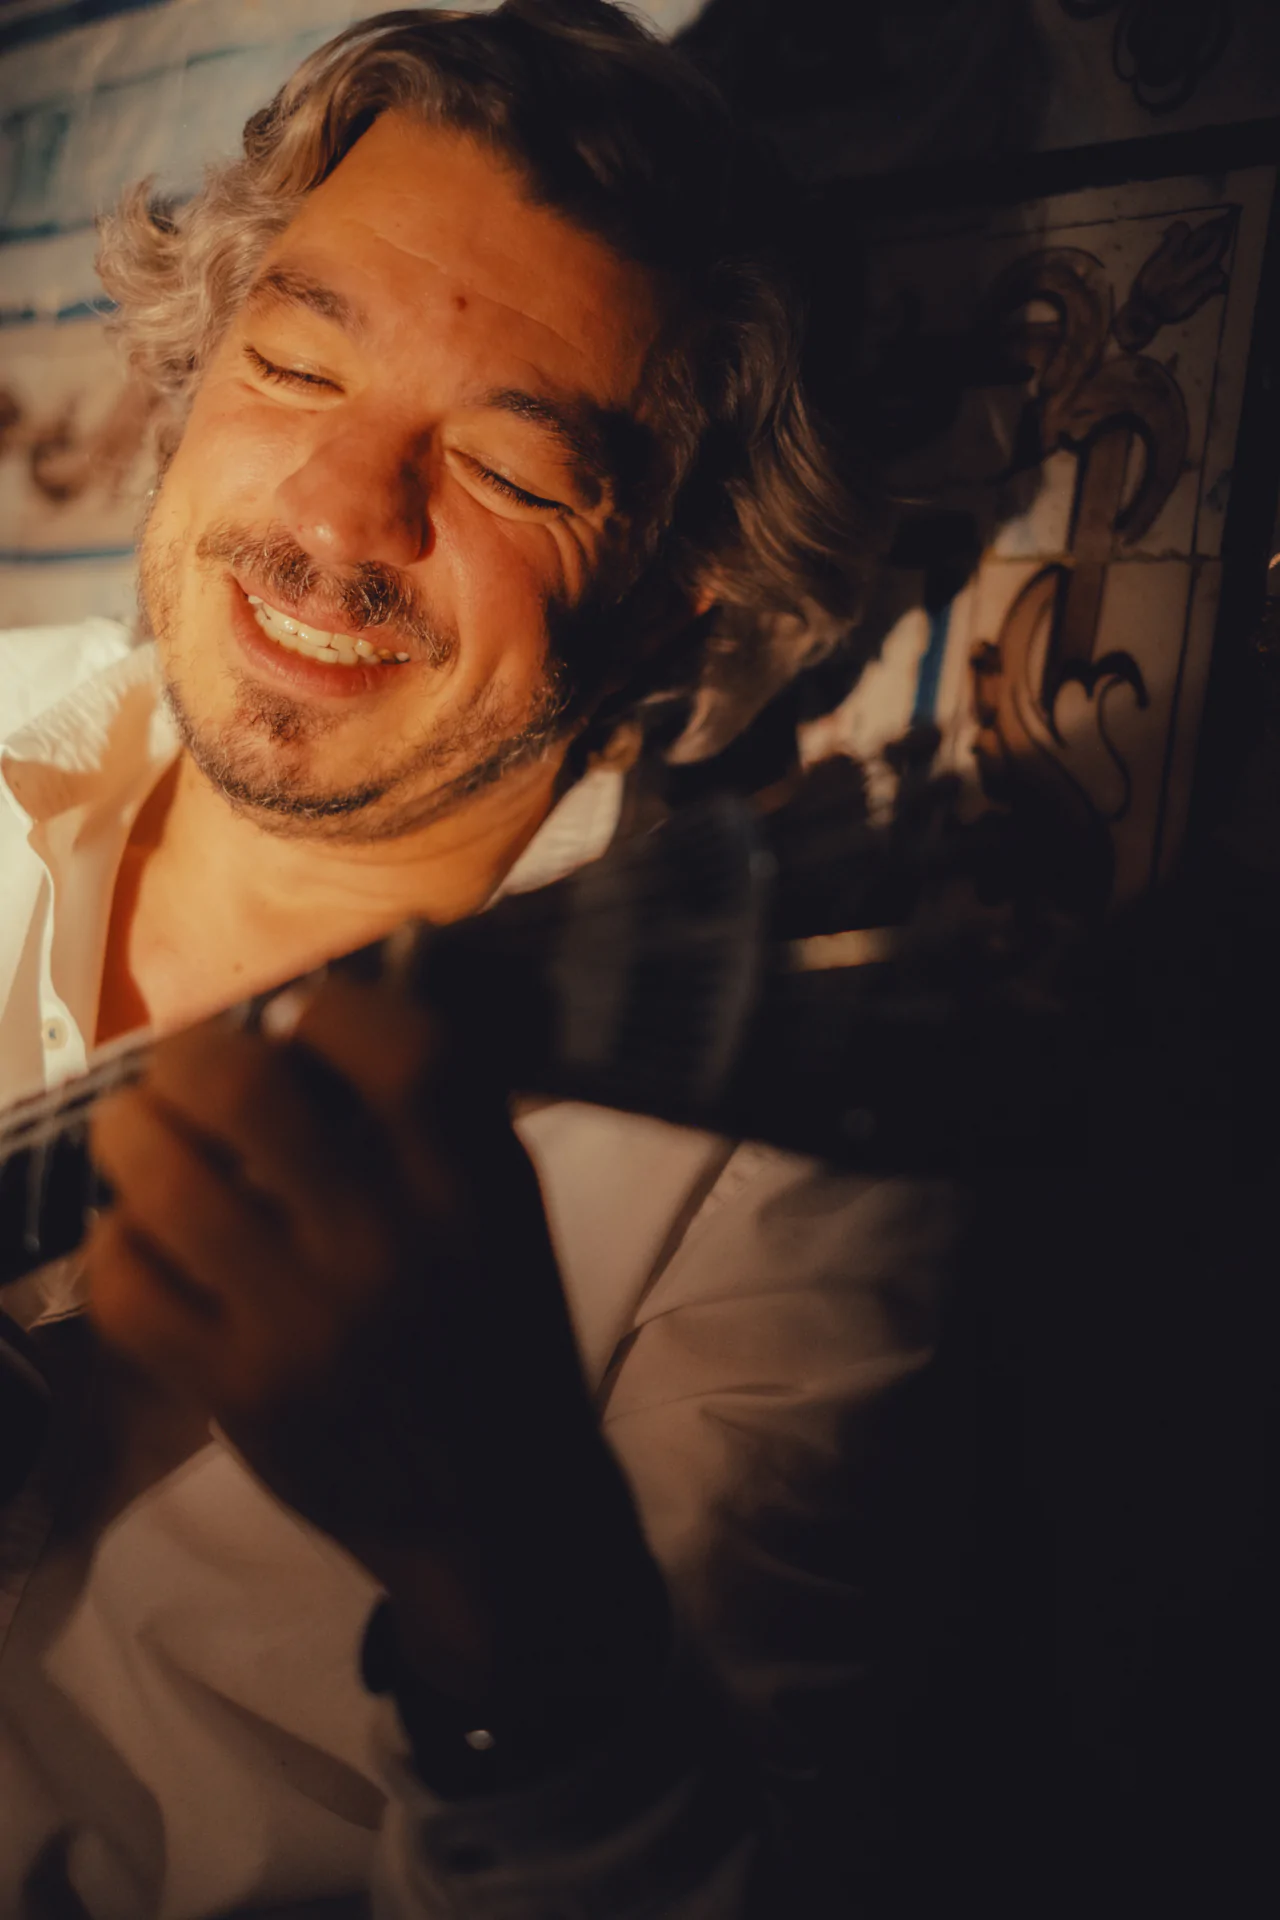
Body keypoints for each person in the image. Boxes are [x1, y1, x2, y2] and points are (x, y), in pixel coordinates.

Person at [0, 5, 960, 1914]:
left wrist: (508, 1574)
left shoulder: (773, 1184)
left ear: (678, 581)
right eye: (295, 366)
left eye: (514, 471)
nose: (340, 515)